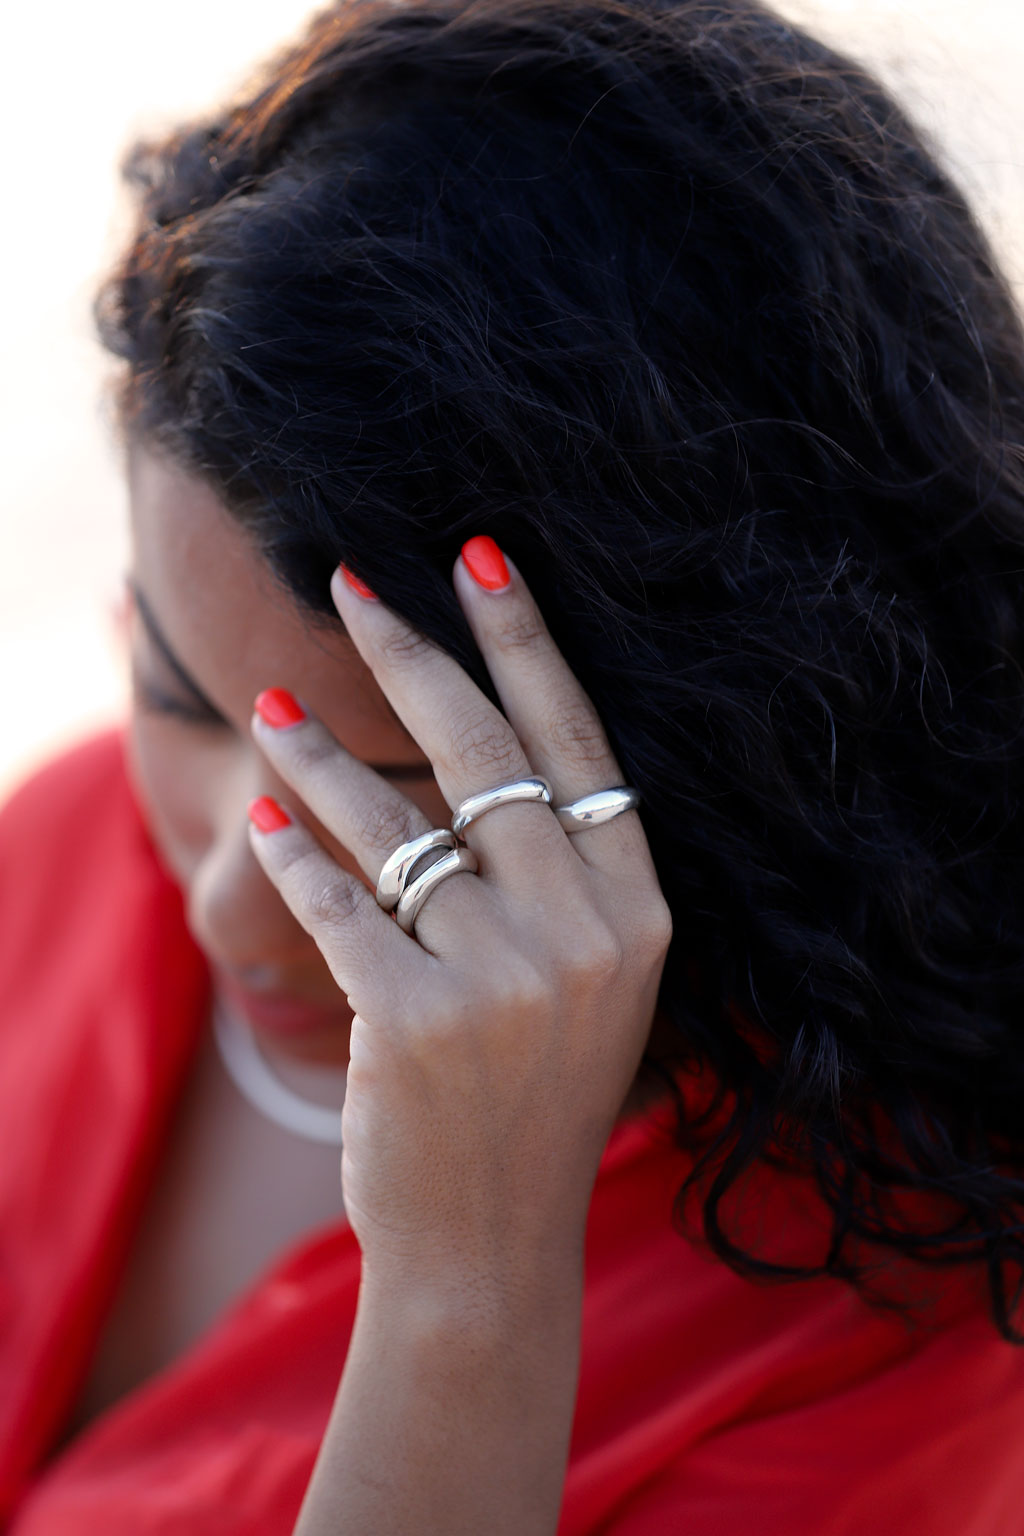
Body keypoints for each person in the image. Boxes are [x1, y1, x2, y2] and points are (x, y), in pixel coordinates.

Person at [3, 0, 1024, 1528]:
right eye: (178, 696)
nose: (225, 893)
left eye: (400, 798)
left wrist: (462, 1297)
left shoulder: (899, 1338)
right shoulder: (68, 846)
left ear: (724, 757)